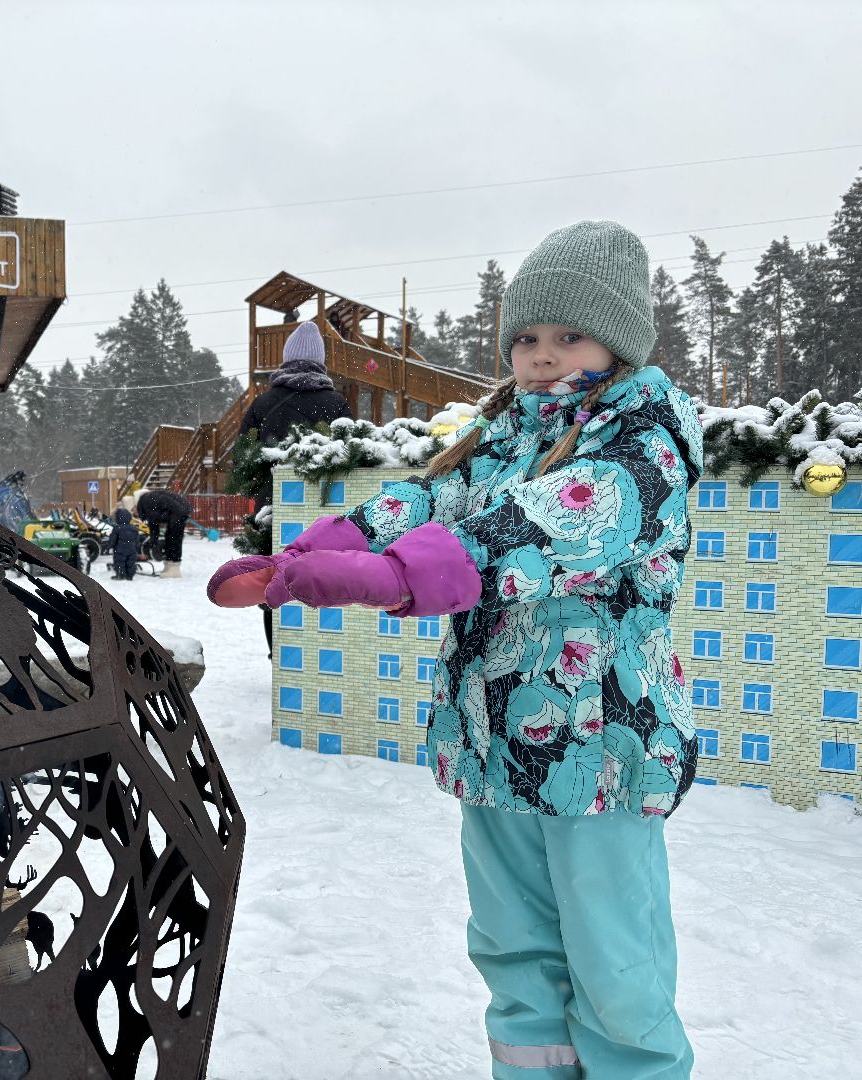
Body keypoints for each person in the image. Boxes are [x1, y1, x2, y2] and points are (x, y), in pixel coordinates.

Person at [208, 221, 701, 1079]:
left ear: (620, 343)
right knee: (513, 954)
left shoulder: (643, 444)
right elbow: (423, 502)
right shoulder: (501, 435)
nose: (542, 355)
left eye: (568, 336)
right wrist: (307, 559)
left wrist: (396, 576)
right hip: (494, 738)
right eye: (525, 338)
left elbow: (553, 521)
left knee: (614, 965)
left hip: (602, 750)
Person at [235, 319, 354, 657]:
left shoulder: (263, 403)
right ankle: (323, 654)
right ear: (320, 361)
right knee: (326, 581)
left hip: (273, 512)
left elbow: (241, 461)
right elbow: (352, 457)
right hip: (327, 511)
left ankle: (280, 654)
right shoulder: (337, 404)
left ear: (286, 359)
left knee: (275, 581)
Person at [135, 488, 191, 578]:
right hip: (179, 510)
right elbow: (154, 526)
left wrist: (175, 519)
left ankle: (174, 570)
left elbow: (169, 502)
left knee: (173, 539)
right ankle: (169, 566)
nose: (133, 511)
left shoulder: (147, 501)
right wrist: (153, 541)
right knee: (169, 537)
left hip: (178, 510)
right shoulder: (148, 502)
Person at [102, 506, 141, 581]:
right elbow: (137, 540)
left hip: (120, 550)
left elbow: (112, 540)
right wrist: (136, 547)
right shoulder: (134, 528)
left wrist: (108, 547)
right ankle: (129, 576)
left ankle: (120, 575)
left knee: (119, 562)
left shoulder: (117, 529)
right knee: (130, 563)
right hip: (132, 550)